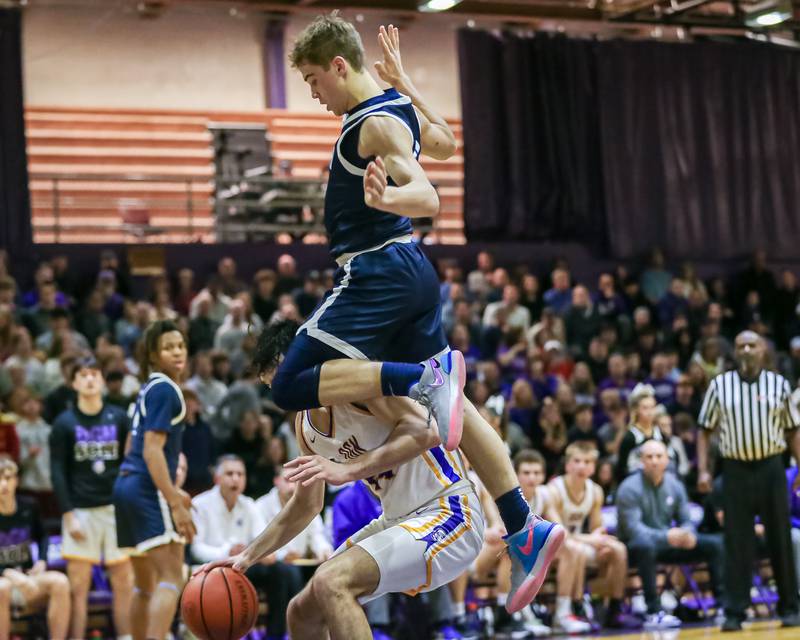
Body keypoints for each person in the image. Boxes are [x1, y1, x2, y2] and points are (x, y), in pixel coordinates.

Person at [263, 15, 563, 611]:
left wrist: (387, 198)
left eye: (315, 80)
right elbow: (448, 143)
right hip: (408, 274)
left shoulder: (369, 124)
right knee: (463, 413)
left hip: (378, 270)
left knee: (291, 383)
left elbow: (427, 195)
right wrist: (407, 83)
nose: (314, 94)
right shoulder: (393, 105)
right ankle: (522, 522)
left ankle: (421, 378)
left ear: (341, 66)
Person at [199, 319, 486, 640]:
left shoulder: (356, 381)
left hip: (449, 511)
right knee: (302, 612)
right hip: (398, 522)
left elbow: (427, 430)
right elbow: (306, 505)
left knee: (332, 582)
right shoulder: (305, 427)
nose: (281, 394)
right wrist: (247, 557)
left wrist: (349, 470)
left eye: (281, 380)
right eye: (271, 386)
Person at [697, 330, 800, 631]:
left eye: (751, 345)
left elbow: (793, 430)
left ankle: (789, 607)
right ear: (735, 352)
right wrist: (704, 470)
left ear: (763, 351)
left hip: (771, 467)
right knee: (736, 541)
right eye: (740, 345)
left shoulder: (778, 384)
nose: (745, 349)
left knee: (780, 538)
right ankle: (734, 611)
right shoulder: (720, 385)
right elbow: (704, 430)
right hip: (735, 469)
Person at [112, 321, 195, 640]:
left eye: (180, 346)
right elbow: (150, 451)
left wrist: (172, 490)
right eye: (168, 347)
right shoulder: (165, 389)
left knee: (145, 584)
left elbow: (131, 446)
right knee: (172, 575)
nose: (177, 352)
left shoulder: (146, 388)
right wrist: (173, 501)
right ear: (153, 354)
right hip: (146, 487)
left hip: (126, 485)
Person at [50, 357, 134, 640]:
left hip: (115, 509)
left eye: (94, 374)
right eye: (83, 374)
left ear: (101, 380)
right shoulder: (64, 423)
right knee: (78, 588)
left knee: (124, 582)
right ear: (73, 383)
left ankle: (125, 637)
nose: (89, 379)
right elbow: (57, 472)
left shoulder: (120, 417)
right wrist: (68, 513)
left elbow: (129, 461)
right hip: (81, 511)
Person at [617, 440, 724, 631]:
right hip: (634, 548)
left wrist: (688, 533)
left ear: (667, 460)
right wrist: (668, 536)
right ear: (641, 460)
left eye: (659, 456)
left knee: (715, 544)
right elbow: (634, 530)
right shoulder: (628, 488)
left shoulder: (675, 485)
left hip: (667, 544)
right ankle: (653, 611)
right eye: (649, 457)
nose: (655, 461)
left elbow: (686, 520)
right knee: (645, 546)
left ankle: (723, 606)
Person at [190, 455, 300, 640]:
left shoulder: (249, 505)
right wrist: (226, 552)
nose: (236, 479)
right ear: (217, 479)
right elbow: (196, 549)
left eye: (240, 474)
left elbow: (262, 540)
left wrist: (275, 555)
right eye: (230, 474)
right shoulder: (200, 504)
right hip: (210, 569)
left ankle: (275, 635)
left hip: (241, 568)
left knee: (284, 572)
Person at [547, 442, 635, 631]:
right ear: (568, 465)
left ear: (593, 467)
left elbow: (597, 530)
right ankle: (573, 608)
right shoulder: (553, 490)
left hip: (577, 543)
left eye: (587, 462)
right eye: (577, 461)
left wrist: (599, 542)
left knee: (617, 549)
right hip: (553, 547)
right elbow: (557, 533)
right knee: (575, 549)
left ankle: (613, 607)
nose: (582, 466)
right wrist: (590, 540)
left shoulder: (595, 491)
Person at [0, 457, 70, 639]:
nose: (3, 484)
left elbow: (43, 536)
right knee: (2, 587)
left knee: (60, 582)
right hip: (4, 581)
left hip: (27, 577)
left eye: (8, 478)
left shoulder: (29, 506)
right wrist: (9, 573)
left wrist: (41, 560)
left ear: (16, 480)